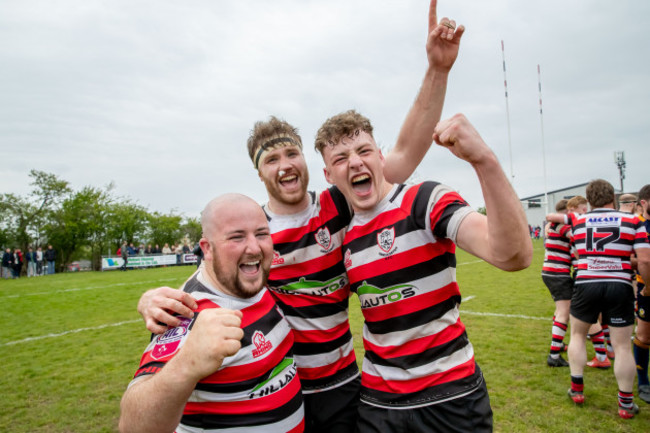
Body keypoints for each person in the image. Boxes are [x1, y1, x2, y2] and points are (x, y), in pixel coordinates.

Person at [136, 2, 464, 431]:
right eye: (272, 158)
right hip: (283, 381)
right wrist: (151, 299)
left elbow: (403, 154)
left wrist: (437, 71)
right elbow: (209, 277)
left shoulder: (337, 204)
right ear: (259, 172)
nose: (285, 164)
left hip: (345, 381)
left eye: (292, 152)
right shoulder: (255, 234)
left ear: (309, 162)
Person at [314, 110, 531, 432]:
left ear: (381, 156)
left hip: (451, 397)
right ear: (329, 175)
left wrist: (485, 161)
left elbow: (512, 256)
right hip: (378, 404)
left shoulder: (424, 200)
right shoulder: (342, 236)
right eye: (341, 158)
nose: (356, 162)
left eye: (364, 151)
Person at [119, 194, 303, 433]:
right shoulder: (188, 312)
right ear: (207, 249)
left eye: (261, 233)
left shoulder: (256, 278)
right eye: (237, 237)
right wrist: (186, 364)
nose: (254, 247)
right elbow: (133, 426)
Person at [547, 179, 650, 418]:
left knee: (577, 335)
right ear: (612, 198)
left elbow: (555, 218)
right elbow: (644, 260)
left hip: (586, 282)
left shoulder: (578, 220)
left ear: (589, 200)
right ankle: (625, 403)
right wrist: (647, 287)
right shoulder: (633, 220)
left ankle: (577, 389)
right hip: (619, 283)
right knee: (623, 345)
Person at [542, 199, 572, 367]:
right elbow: (578, 238)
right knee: (564, 312)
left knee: (561, 309)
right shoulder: (562, 226)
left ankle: (558, 345)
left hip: (551, 272)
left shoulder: (553, 224)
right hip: (558, 273)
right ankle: (554, 355)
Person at [633, 184, 650, 403]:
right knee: (644, 335)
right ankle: (643, 381)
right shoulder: (637, 225)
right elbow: (626, 257)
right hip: (646, 287)